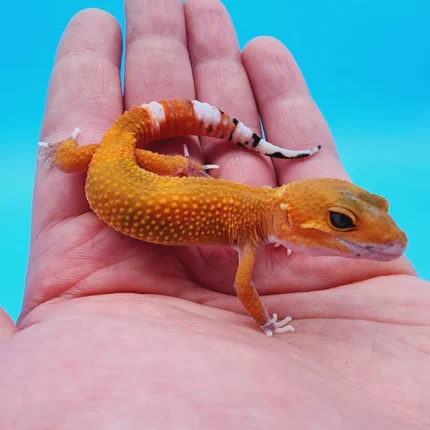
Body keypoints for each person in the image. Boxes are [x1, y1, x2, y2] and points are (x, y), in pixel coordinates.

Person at [1, 0, 429, 428]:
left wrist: (183, 170)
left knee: (137, 154)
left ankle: (101, 155)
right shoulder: (251, 231)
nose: (382, 238)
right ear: (287, 218)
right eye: (341, 222)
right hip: (111, 166)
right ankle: (66, 155)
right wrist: (265, 324)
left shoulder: (257, 207)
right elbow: (244, 289)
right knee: (79, 159)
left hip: (123, 161)